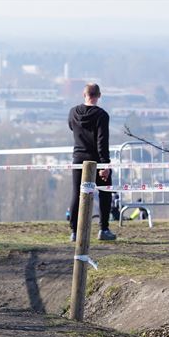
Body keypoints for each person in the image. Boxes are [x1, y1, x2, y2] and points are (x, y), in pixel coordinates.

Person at [68, 83, 116, 241]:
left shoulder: (73, 112)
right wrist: (105, 164)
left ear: (84, 94)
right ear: (99, 95)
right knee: (105, 192)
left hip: (78, 159)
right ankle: (104, 229)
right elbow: (102, 141)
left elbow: (71, 127)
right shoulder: (102, 115)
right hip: (96, 160)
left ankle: (74, 231)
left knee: (77, 194)